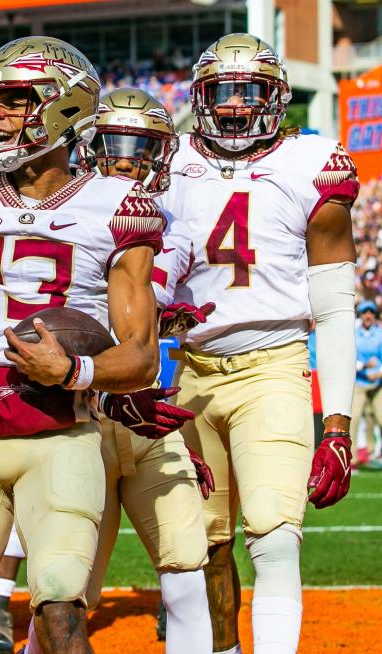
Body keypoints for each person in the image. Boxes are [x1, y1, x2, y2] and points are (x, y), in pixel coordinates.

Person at [0, 36, 165, 654]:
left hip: (60, 432)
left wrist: (74, 368)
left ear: (64, 107)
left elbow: (141, 355)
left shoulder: (117, 206)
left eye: (12, 101)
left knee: (59, 606)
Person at [0, 88, 218, 654]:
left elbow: (163, 333)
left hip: (147, 419)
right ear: (89, 145)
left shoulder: (178, 226)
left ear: (164, 154)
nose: (124, 158)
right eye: (114, 143)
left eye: (141, 146)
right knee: (67, 592)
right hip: (82, 416)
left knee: (188, 569)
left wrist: (176, 418)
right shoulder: (65, 214)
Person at [161, 34, 359, 654]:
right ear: (202, 97)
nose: (237, 106)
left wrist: (339, 426)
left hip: (274, 365)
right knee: (205, 546)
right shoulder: (167, 163)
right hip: (191, 369)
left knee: (274, 537)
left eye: (251, 91)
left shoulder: (311, 162)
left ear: (276, 97)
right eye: (223, 91)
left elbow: (333, 307)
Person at [353, 300, 382, 464]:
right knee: (354, 419)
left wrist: (378, 373)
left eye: (371, 313)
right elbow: (350, 359)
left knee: (380, 418)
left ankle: (375, 451)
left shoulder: (380, 334)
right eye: (365, 313)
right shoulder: (354, 335)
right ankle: (351, 460)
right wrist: (364, 368)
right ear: (361, 316)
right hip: (359, 382)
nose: (368, 316)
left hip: (378, 383)